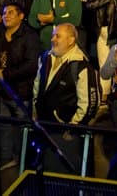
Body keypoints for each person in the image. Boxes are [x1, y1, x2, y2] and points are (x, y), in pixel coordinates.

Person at [0, 2, 40, 171]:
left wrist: (6, 74)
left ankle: (22, 159)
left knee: (22, 127)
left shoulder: (29, 37)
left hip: (21, 91)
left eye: (11, 13)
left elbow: (31, 64)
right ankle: (6, 158)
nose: (6, 16)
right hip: (1, 90)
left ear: (21, 16)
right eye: (5, 13)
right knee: (4, 126)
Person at [32, 23, 94, 173]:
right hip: (43, 128)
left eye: (57, 36)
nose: (53, 39)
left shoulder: (80, 65)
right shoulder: (45, 57)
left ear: (71, 40)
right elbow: (36, 87)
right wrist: (34, 113)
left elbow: (88, 103)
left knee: (61, 178)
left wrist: (71, 128)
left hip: (64, 135)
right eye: (53, 35)